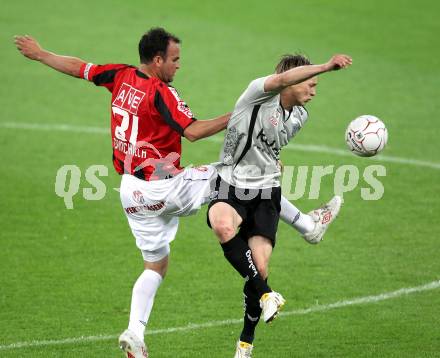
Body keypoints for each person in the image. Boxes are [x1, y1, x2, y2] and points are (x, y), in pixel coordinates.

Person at [14, 29, 334, 358]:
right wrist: (240, 117)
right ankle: (307, 229)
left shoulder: (119, 75)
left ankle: (135, 333)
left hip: (131, 193)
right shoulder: (160, 92)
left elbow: (79, 67)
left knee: (155, 266)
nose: (178, 65)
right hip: (165, 186)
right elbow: (193, 132)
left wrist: (40, 54)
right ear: (157, 60)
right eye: (174, 59)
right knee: (243, 171)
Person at [207, 53, 352, 357]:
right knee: (222, 225)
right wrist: (326, 66)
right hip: (230, 183)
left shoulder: (299, 116)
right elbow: (281, 81)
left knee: (259, 266)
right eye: (310, 82)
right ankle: (268, 293)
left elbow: (269, 145)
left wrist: (272, 163)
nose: (314, 90)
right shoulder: (259, 92)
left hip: (265, 193)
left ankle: (245, 343)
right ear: (294, 79)